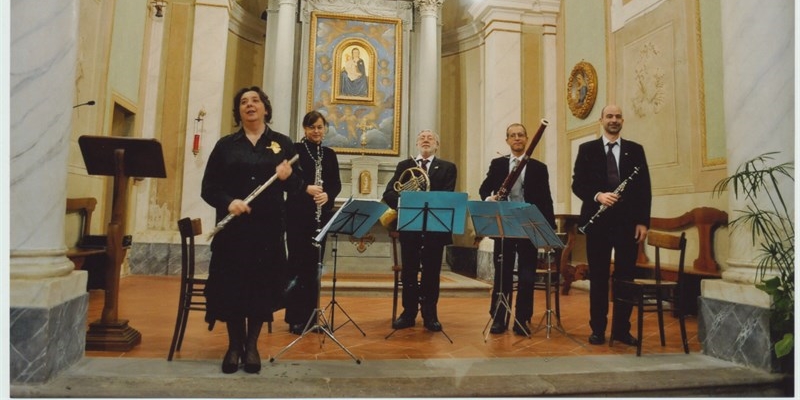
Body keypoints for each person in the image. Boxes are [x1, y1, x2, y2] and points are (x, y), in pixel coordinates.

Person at [201, 86, 303, 374]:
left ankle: (252, 346)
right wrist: (229, 201)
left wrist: (289, 175)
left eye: (255, 100)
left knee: (261, 287)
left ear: (265, 109)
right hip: (234, 232)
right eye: (244, 102)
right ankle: (234, 346)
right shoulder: (225, 145)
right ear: (239, 111)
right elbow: (208, 188)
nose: (249, 105)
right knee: (233, 287)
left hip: (267, 230)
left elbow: (297, 188)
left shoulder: (282, 144)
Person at [571, 104, 651, 346]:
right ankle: (597, 329)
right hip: (598, 223)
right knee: (598, 278)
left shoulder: (635, 150)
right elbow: (578, 184)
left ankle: (621, 330)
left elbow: (644, 188)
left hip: (627, 223)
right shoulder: (587, 149)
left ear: (622, 120)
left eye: (617, 116)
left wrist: (642, 222)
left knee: (625, 278)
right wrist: (598, 196)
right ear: (601, 120)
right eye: (609, 116)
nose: (613, 120)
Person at [478, 123, 555, 336]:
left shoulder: (539, 167)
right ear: (507, 141)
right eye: (513, 135)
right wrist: (490, 198)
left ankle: (522, 319)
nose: (517, 138)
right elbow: (484, 188)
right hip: (504, 225)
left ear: (526, 138)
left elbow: (546, 200)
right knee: (502, 274)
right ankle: (499, 318)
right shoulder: (498, 164)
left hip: (528, 224)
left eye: (521, 135)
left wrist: (548, 231)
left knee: (527, 275)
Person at [382, 130, 457, 332]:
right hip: (410, 227)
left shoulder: (448, 167)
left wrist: (423, 198)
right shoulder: (404, 166)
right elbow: (389, 192)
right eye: (422, 137)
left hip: (435, 228)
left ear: (437, 144)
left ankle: (430, 314)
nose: (425, 140)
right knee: (409, 272)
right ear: (416, 143)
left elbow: (447, 195)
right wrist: (406, 202)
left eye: (430, 138)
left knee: (431, 273)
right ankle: (408, 313)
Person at [285, 111, 342, 335]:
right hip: (298, 214)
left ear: (325, 128)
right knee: (298, 265)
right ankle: (295, 318)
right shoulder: (296, 151)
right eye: (311, 127)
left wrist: (327, 195)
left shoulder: (329, 154)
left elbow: (335, 183)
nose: (316, 131)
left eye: (319, 127)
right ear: (304, 129)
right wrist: (306, 189)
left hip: (321, 217)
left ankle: (312, 315)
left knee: (314, 267)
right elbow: (289, 180)